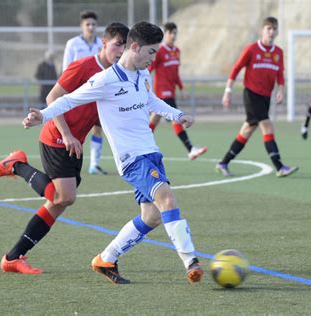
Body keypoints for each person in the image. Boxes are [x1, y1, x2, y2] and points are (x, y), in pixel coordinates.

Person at [23, 21, 203, 285]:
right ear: (135, 47)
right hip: (132, 159)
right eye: (151, 52)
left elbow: (150, 99)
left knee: (151, 216)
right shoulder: (105, 79)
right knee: (167, 199)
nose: (154, 59)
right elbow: (70, 99)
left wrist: (177, 114)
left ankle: (106, 259)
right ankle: (191, 261)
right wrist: (42, 115)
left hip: (151, 153)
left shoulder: (143, 76)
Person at [0, 23, 130, 275]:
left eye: (125, 46)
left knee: (58, 202)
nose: (121, 50)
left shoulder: (115, 76)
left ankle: (13, 257)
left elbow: (98, 113)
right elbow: (53, 98)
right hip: (57, 138)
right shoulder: (83, 67)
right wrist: (66, 135)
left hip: (76, 142)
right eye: (117, 44)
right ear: (104, 43)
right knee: (63, 197)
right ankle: (16, 165)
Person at [216, 17, 298, 178]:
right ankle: (280, 166)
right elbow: (236, 68)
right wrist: (228, 91)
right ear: (262, 31)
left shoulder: (278, 53)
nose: (272, 32)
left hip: (266, 97)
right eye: (269, 29)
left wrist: (281, 89)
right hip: (251, 94)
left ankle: (224, 162)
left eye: (274, 29)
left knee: (246, 131)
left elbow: (280, 74)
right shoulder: (252, 49)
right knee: (267, 126)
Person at [148, 22, 207, 160]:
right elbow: (149, 69)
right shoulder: (160, 51)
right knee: (176, 118)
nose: (174, 36)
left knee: (154, 121)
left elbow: (175, 73)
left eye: (175, 33)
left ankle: (138, 144)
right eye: (171, 33)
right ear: (166, 34)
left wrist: (181, 87)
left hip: (171, 91)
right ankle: (190, 148)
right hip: (162, 92)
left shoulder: (177, 51)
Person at [63, 10, 106, 174]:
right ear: (82, 26)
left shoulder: (101, 45)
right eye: (87, 24)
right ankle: (68, 160)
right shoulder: (73, 44)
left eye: (94, 24)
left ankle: (94, 164)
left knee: (97, 127)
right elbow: (66, 70)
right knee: (75, 127)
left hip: (96, 93)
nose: (91, 27)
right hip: (77, 94)